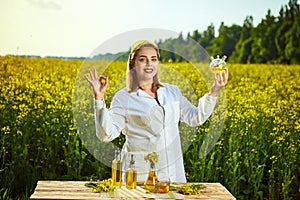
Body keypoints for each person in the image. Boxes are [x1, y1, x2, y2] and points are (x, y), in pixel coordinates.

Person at [85, 40, 228, 183]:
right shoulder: (124, 98)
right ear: (133, 64)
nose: (149, 64)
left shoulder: (172, 91)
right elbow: (107, 134)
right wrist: (99, 98)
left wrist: (214, 90)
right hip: (138, 176)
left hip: (173, 175)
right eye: (143, 59)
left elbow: (195, 118)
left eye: (153, 59)